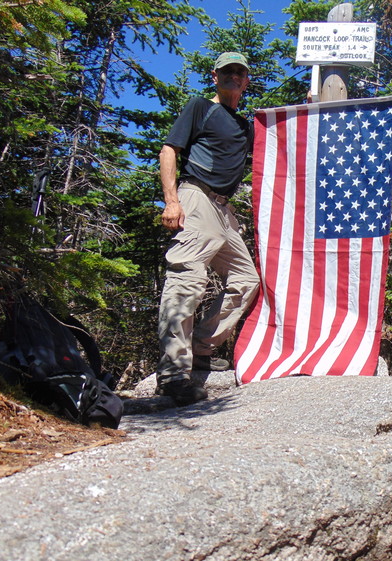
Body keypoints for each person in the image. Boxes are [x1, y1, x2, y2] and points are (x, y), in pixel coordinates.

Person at [156, 52, 260, 405]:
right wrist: (172, 200)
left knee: (247, 280)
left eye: (240, 72)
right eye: (227, 71)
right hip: (196, 196)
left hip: (223, 209)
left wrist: (311, 109)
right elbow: (169, 150)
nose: (234, 76)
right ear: (214, 76)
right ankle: (173, 374)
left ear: (246, 80)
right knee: (187, 277)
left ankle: (201, 348)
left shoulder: (245, 126)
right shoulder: (201, 107)